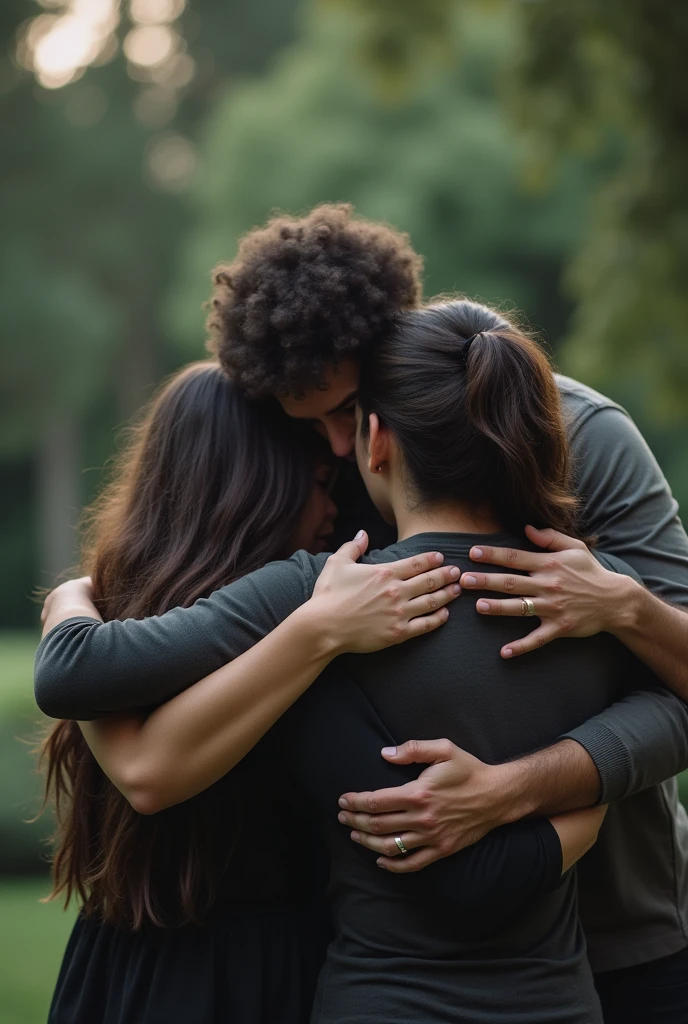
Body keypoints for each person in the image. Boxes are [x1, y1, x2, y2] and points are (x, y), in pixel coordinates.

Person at [40, 204, 688, 1021]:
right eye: (308, 426)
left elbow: (676, 691)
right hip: (382, 937)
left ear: (389, 361)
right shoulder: (327, 499)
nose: (338, 453)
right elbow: (152, 735)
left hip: (617, 924)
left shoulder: (584, 436)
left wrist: (525, 781)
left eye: (346, 416)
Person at [38, 360, 466, 1024]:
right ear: (250, 492)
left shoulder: (111, 614)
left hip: (134, 971)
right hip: (232, 977)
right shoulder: (141, 629)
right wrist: (318, 630)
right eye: (320, 485)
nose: (334, 510)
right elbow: (147, 773)